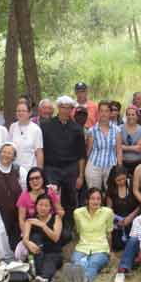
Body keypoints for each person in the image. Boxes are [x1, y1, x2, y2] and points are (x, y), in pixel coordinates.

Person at [41, 96, 86, 225]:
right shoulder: (46, 126)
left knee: (70, 199)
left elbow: (81, 154)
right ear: (58, 108)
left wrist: (80, 176)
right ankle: (51, 225)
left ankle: (68, 227)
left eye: (68, 108)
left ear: (72, 110)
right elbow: (40, 150)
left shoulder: (77, 129)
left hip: (70, 169)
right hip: (51, 168)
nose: (65, 111)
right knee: (50, 198)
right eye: (63, 107)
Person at [61, 188, 114, 282]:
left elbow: (109, 233)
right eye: (92, 198)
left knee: (93, 263)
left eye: (98, 199)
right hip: (83, 247)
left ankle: (84, 281)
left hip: (101, 248)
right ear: (87, 200)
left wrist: (110, 251)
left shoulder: (108, 212)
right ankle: (71, 280)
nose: (95, 201)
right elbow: (79, 231)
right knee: (77, 263)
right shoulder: (78, 213)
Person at [22, 195, 63, 282]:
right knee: (35, 238)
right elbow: (25, 238)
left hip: (54, 253)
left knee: (49, 260)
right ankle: (45, 278)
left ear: (50, 208)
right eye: (40, 205)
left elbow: (55, 238)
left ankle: (43, 278)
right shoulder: (31, 220)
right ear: (36, 206)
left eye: (46, 205)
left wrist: (43, 225)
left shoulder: (56, 218)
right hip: (38, 253)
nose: (43, 208)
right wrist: (28, 243)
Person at [17, 167, 63, 239]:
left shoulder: (50, 192)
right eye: (31, 179)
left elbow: (60, 211)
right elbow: (21, 220)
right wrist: (26, 236)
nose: (34, 181)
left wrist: (57, 222)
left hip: (50, 224)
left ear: (43, 179)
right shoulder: (24, 196)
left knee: (65, 235)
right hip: (33, 227)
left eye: (37, 178)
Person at [86, 100, 123, 189]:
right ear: (98, 112)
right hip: (94, 165)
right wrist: (85, 166)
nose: (104, 114)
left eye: (106, 111)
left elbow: (119, 151)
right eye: (101, 111)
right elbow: (89, 150)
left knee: (111, 192)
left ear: (110, 113)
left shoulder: (117, 130)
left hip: (111, 165)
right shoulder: (92, 130)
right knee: (94, 192)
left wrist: (119, 167)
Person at [106, 166, 140, 251]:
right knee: (117, 245)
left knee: (133, 243)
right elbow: (109, 210)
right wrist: (116, 220)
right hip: (118, 221)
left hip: (132, 218)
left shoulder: (132, 185)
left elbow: (140, 205)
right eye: (118, 180)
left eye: (123, 179)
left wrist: (131, 217)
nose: (122, 182)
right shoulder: (111, 189)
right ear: (113, 180)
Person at [8, 100, 44, 172]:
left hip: (30, 170)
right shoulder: (12, 127)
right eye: (18, 111)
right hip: (14, 170)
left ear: (30, 113)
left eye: (23, 111)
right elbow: (9, 148)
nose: (20, 113)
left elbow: (39, 153)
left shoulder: (36, 129)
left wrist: (39, 171)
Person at [120, 104, 141, 174]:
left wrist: (124, 147)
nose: (130, 117)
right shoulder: (119, 129)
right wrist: (133, 148)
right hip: (122, 162)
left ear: (137, 116)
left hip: (138, 162)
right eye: (128, 115)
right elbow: (117, 147)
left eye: (133, 115)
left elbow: (139, 148)